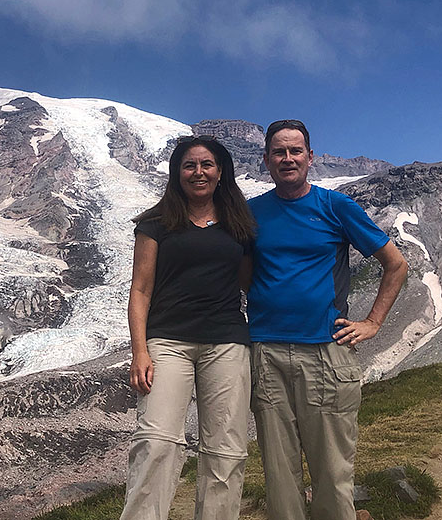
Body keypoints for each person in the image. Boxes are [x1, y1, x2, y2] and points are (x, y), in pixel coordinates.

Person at [246, 119, 408, 520]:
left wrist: (373, 322)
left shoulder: (336, 207)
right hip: (265, 352)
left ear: (310, 157)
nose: (288, 158)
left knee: (332, 469)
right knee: (278, 471)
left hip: (325, 352)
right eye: (279, 152)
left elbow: (396, 264)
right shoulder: (250, 214)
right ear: (266, 159)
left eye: (295, 150)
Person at [120, 135, 256, 520]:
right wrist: (140, 351)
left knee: (226, 448)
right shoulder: (156, 223)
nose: (198, 172)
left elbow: (249, 282)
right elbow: (141, 289)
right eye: (189, 165)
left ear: (220, 171)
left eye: (206, 164)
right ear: (177, 172)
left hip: (227, 342)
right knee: (156, 440)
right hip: (167, 342)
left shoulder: (239, 224)